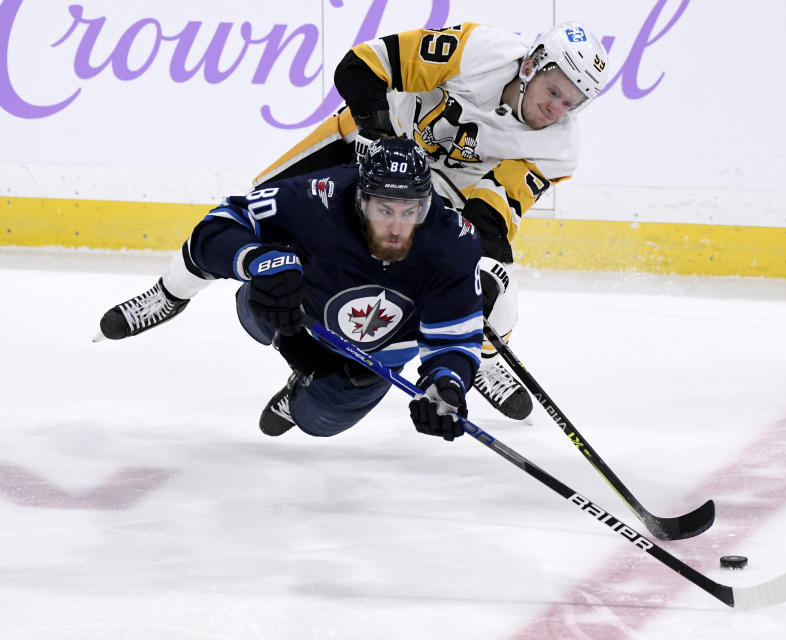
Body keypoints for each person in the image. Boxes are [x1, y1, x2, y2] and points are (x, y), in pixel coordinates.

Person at [95, 21, 609, 422]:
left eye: (572, 102)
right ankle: (171, 292)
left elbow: (493, 213)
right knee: (253, 214)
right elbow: (361, 67)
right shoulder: (478, 51)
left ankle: (475, 354)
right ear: (533, 64)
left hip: (443, 190)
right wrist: (382, 135)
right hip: (369, 140)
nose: (556, 108)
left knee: (485, 281)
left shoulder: (559, 148)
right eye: (556, 89)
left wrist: (465, 259)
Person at [97, 139, 483, 441]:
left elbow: (454, 338)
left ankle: (303, 387)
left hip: (372, 358)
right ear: (361, 198)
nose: (397, 228)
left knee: (320, 423)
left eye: (409, 211)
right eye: (385, 210)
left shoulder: (453, 242)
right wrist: (256, 261)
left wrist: (446, 386)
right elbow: (218, 226)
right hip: (293, 311)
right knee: (260, 290)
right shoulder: (316, 198)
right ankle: (170, 294)